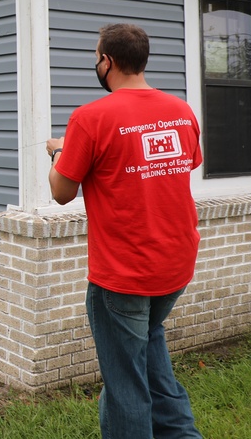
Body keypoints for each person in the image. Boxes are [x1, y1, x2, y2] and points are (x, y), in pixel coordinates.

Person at [46, 23, 203, 439]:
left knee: (125, 388)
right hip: (175, 266)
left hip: (124, 276)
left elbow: (62, 192)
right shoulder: (182, 111)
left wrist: (60, 150)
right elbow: (185, 164)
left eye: (96, 57)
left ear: (108, 61)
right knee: (151, 356)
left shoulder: (89, 117)